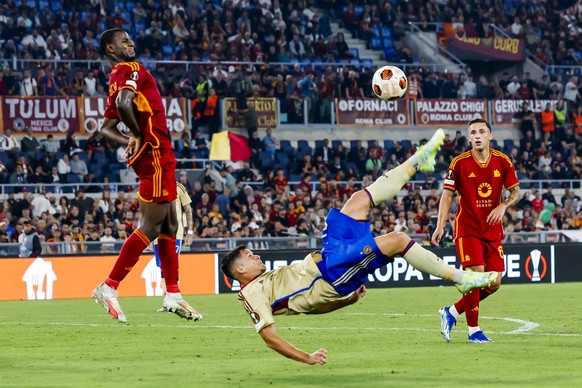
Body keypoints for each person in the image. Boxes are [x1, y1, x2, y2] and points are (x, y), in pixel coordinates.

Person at [221, 129, 497, 364]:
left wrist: (347, 301)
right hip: (331, 274)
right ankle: (461, 279)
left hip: (328, 258)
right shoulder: (253, 293)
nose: (255, 255)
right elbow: (269, 337)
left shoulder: (267, 284)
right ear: (241, 268)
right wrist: (307, 357)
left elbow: (310, 308)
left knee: (357, 199)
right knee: (398, 239)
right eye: (249, 255)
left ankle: (419, 160)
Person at [91, 28, 202, 323]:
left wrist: (130, 137)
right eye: (123, 41)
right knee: (152, 226)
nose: (131, 43)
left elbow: (105, 127)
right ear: (110, 49)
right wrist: (139, 135)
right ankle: (108, 286)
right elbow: (125, 104)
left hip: (159, 154)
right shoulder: (131, 69)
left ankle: (173, 293)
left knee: (170, 223)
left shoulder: (116, 78)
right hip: (154, 153)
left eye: (130, 39)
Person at [431, 119, 521, 343]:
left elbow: (516, 192)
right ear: (469, 138)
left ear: (490, 136)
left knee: (494, 282)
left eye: (482, 131)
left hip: (492, 231)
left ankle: (450, 312)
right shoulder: (459, 163)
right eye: (473, 133)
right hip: (467, 228)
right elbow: (447, 195)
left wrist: (503, 205)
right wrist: (440, 224)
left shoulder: (503, 161)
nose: (478, 135)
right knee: (476, 275)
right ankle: (474, 332)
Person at [152, 181, 195, 311]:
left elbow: (188, 209)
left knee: (172, 265)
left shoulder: (179, 187)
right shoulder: (155, 187)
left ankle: (175, 298)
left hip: (174, 234)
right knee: (161, 267)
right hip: (157, 235)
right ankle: (167, 300)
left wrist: (190, 232)